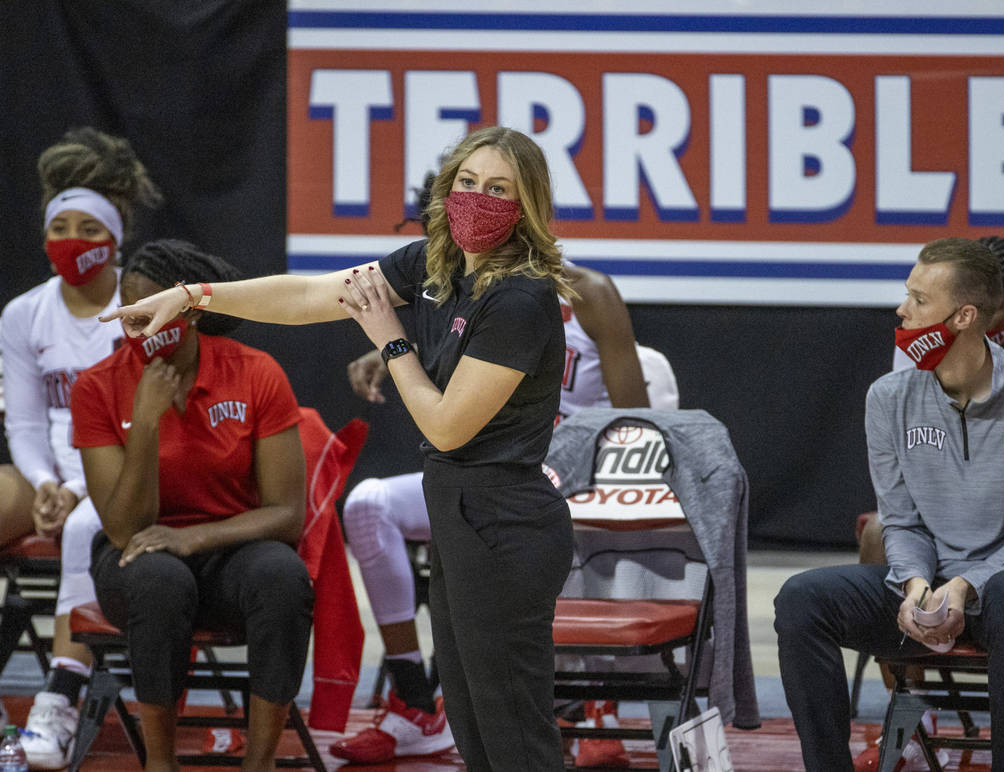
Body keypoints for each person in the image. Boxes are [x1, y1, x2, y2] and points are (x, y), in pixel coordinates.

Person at [104, 126, 579, 770]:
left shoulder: (521, 296)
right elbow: (308, 295)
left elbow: (445, 427)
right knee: (473, 723)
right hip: (460, 513)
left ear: (527, 206)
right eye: (467, 182)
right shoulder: (435, 266)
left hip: (506, 520)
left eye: (499, 189)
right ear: (446, 188)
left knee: (513, 732)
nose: (478, 198)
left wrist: (389, 335)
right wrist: (193, 298)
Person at [775, 237, 1004, 772]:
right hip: (937, 581)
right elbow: (900, 520)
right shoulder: (888, 397)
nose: (902, 310)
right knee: (803, 599)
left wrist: (966, 586)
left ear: (963, 316)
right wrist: (916, 583)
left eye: (919, 300)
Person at [333, 255, 649, 763]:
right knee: (369, 506)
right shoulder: (455, 288)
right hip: (472, 465)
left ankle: (594, 702)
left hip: (554, 471)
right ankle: (414, 699)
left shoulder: (584, 292)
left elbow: (638, 420)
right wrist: (404, 352)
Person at [71, 240, 314, 772]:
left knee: (282, 574)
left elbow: (286, 515)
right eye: (132, 314)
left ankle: (261, 763)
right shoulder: (97, 387)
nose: (144, 325)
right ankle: (161, 764)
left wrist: (193, 538)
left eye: (154, 309)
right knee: (161, 581)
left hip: (232, 552)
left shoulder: (256, 372)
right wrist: (146, 423)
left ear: (192, 311)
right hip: (137, 558)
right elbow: (122, 530)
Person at [0, 126, 161, 770]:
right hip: (53, 470)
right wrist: (42, 481)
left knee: (86, 529)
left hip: (125, 467)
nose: (72, 242)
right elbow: (28, 424)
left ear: (115, 239)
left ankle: (58, 700)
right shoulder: (22, 315)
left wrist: (75, 489)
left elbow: (146, 420)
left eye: (88, 230)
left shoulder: (144, 303)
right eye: (58, 227)